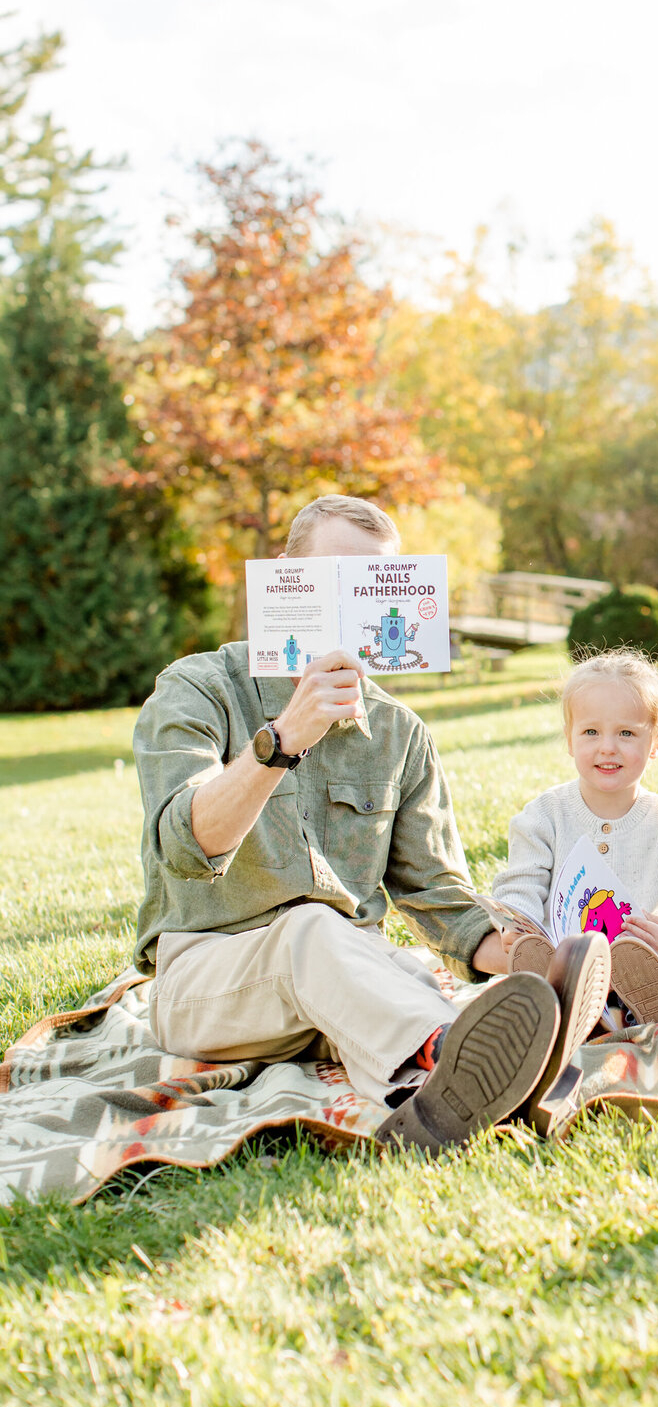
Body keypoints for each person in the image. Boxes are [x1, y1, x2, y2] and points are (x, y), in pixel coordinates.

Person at [133, 494, 608, 1154]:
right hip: (209, 979)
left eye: (368, 588)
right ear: (284, 576)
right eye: (333, 583)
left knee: (395, 975)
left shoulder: (399, 733)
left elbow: (440, 898)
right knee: (311, 933)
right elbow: (186, 846)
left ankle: (449, 1096)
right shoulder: (199, 687)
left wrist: (533, 949)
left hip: (350, 969)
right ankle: (450, 1056)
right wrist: (284, 738)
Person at [473, 649, 658, 1028]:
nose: (608, 747)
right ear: (570, 740)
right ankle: (557, 1005)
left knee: (649, 973)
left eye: (626, 733)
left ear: (656, 742)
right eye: (591, 732)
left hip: (639, 957)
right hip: (564, 956)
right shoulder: (544, 815)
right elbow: (521, 881)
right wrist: (517, 924)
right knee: (547, 970)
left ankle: (640, 1015)